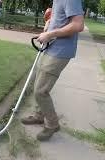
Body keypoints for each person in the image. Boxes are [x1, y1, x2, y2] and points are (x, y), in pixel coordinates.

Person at [21, 0, 84, 141]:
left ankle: (52, 124)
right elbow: (61, 17)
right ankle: (39, 115)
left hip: (59, 51)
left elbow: (78, 24)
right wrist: (49, 20)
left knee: (40, 91)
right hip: (50, 47)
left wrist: (49, 35)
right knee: (36, 81)